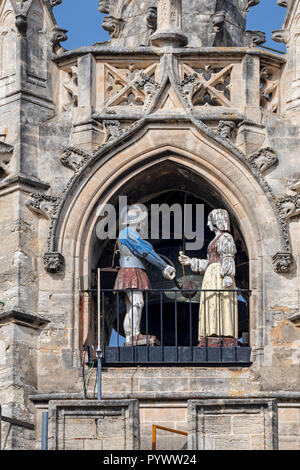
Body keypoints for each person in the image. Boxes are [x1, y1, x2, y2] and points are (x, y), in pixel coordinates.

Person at [115, 204, 176, 346]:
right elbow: (144, 251)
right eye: (143, 221)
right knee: (137, 303)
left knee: (131, 304)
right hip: (132, 271)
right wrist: (164, 266)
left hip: (130, 270)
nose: (144, 224)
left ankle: (131, 336)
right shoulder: (129, 233)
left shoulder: (125, 233)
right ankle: (134, 335)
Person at [178, 209, 238, 347]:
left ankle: (223, 334)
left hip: (219, 275)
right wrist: (190, 261)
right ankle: (211, 333)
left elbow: (227, 258)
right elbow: (210, 261)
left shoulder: (226, 238)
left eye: (210, 220)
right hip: (212, 274)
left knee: (219, 301)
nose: (207, 223)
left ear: (216, 221)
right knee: (211, 303)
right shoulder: (214, 240)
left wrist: (228, 276)